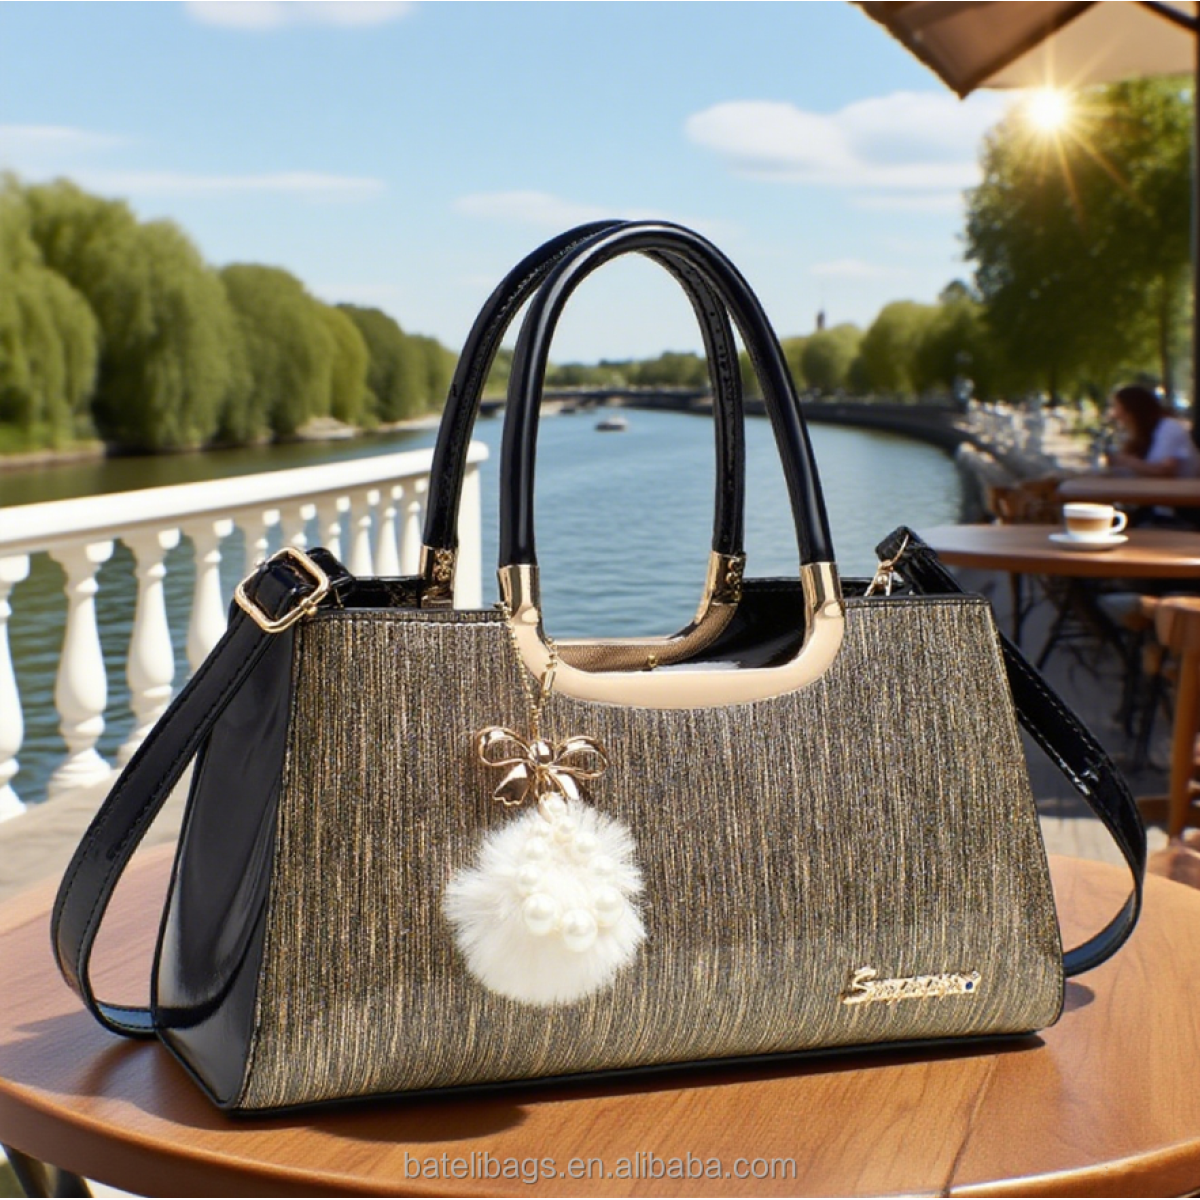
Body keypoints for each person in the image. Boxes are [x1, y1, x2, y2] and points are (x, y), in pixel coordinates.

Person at [1107, 384, 1200, 479]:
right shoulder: (1137, 435)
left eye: (1116, 407)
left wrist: (1128, 461)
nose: (1114, 415)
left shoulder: (1168, 429)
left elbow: (1165, 472)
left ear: (1130, 411)